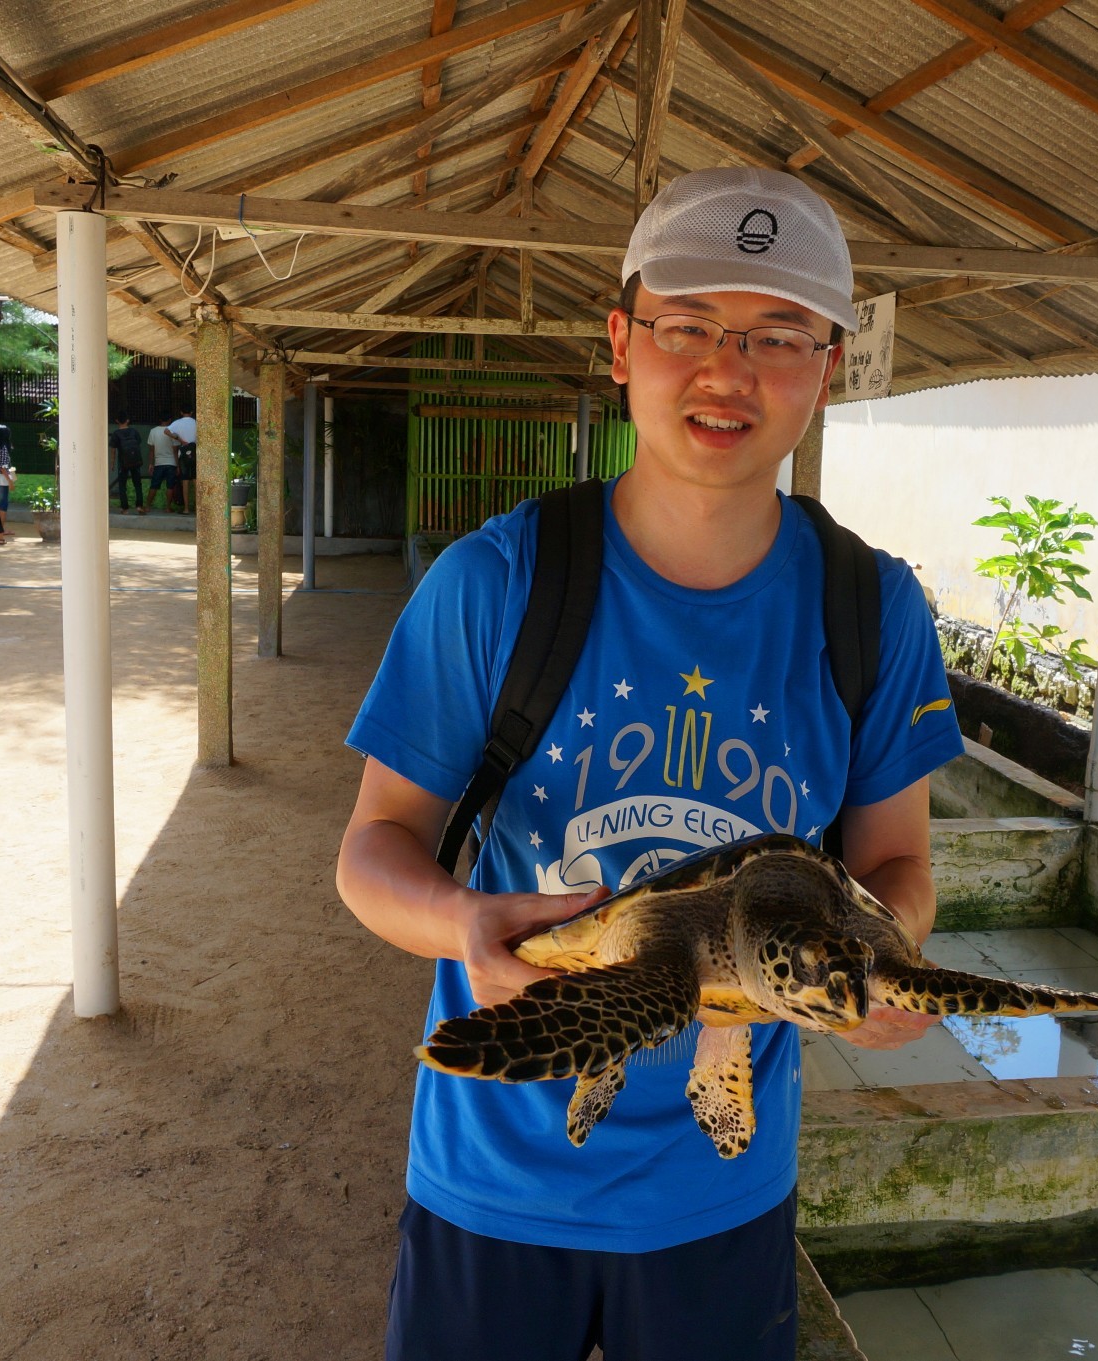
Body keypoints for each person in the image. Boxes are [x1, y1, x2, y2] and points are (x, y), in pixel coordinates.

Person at [334, 169, 963, 1361]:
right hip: (493, 1176)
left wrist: (885, 959)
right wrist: (460, 921)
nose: (729, 370)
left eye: (778, 335)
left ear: (824, 368)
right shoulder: (493, 583)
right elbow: (372, 853)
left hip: (721, 1199)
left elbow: (893, 858)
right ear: (622, 344)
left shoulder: (869, 608)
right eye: (690, 328)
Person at [145, 417, 182, 514]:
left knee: (154, 486)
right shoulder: (172, 431)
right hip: (171, 463)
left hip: (158, 463)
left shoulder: (153, 431)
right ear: (169, 420)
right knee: (170, 486)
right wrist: (178, 465)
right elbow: (175, 450)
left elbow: (151, 450)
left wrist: (151, 464)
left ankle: (147, 506)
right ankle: (168, 508)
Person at [110, 414, 144, 513]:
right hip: (135, 461)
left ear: (117, 421)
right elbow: (138, 444)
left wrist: (112, 463)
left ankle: (125, 508)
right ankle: (139, 506)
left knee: (122, 485)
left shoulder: (116, 434)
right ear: (128, 420)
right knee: (137, 484)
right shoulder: (134, 431)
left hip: (123, 462)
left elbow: (113, 450)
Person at [167, 409, 198, 514]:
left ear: (181, 412)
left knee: (185, 482)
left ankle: (186, 509)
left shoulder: (177, 423)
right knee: (196, 481)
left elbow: (166, 431)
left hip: (184, 454)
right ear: (192, 412)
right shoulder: (196, 422)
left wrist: (179, 439)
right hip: (196, 453)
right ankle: (198, 508)